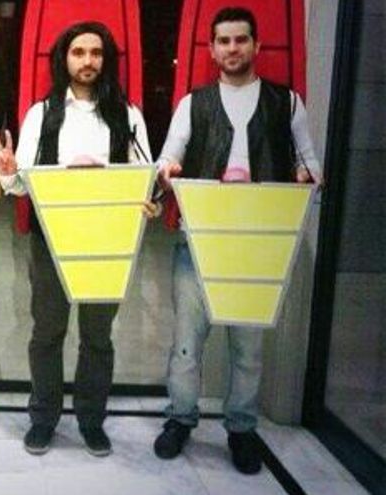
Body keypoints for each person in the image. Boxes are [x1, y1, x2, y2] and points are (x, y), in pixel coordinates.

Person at [152, 7, 321, 474]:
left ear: (256, 45)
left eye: (240, 40)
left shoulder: (287, 103)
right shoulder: (193, 103)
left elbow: (311, 162)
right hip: (199, 239)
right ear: (211, 49)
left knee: (248, 349)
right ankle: (180, 419)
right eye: (224, 41)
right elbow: (167, 158)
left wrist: (307, 175)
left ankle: (241, 429)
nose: (232, 48)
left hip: (258, 245)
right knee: (186, 344)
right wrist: (167, 172)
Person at [0, 21, 154, 457]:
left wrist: (149, 197)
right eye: (78, 52)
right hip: (51, 240)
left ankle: (91, 421)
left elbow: (145, 175)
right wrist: (7, 172)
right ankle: (43, 418)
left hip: (107, 242)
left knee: (97, 336)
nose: (87, 61)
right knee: (47, 332)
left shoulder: (127, 114)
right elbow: (21, 185)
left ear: (106, 60)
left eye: (95, 53)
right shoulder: (42, 113)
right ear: (64, 59)